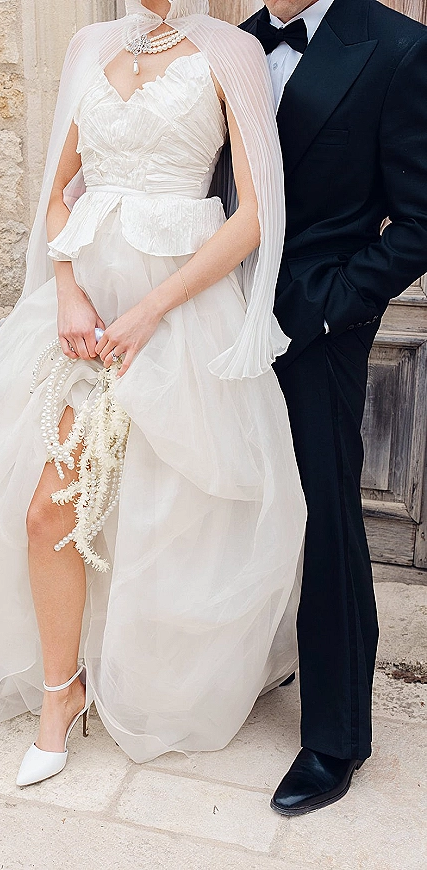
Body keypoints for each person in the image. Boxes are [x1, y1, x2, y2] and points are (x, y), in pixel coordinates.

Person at [0, 0, 306, 790]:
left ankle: (132, 671)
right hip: (81, 316)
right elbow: (60, 190)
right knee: (47, 508)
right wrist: (66, 290)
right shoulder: (91, 43)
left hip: (177, 315)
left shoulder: (231, 52)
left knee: (158, 513)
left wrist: (152, 312)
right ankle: (62, 694)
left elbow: (257, 215)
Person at [212, 0, 427, 816]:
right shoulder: (230, 46)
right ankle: (243, 665)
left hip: (312, 327)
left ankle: (335, 737)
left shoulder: (399, 50)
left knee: (325, 517)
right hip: (213, 314)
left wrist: (332, 306)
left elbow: (418, 223)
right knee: (225, 496)